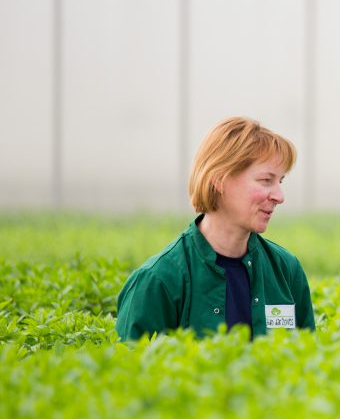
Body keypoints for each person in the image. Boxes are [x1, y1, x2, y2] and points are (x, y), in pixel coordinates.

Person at [116, 116, 315, 340]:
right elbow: (132, 370)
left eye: (281, 182)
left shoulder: (286, 270)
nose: (279, 196)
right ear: (219, 179)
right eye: (266, 180)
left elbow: (306, 363)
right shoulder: (157, 280)